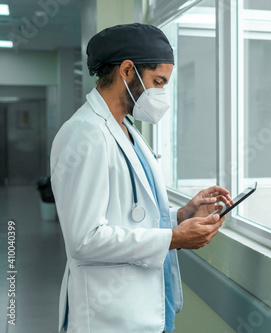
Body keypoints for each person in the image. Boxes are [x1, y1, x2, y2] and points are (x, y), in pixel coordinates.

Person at [50, 23, 232, 333]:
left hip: (142, 309)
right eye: (158, 81)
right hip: (108, 316)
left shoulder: (127, 129)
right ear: (127, 70)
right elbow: (84, 239)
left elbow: (127, 214)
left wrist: (180, 216)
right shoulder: (85, 134)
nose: (161, 94)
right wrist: (173, 238)